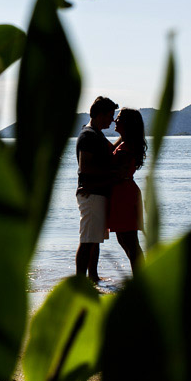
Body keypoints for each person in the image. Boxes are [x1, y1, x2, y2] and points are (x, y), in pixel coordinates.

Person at [75, 96, 118, 282]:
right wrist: (113, 173)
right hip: (91, 193)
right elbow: (85, 167)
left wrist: (125, 136)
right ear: (99, 115)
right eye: (110, 116)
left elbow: (112, 150)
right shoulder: (88, 135)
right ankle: (80, 280)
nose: (112, 120)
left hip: (97, 192)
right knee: (87, 240)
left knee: (95, 238)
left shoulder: (97, 134)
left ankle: (93, 277)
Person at [107, 108, 147, 274]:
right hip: (123, 193)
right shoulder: (124, 144)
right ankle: (141, 279)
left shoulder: (126, 147)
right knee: (126, 240)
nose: (115, 120)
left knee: (129, 241)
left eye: (119, 118)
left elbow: (118, 172)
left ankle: (142, 280)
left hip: (124, 195)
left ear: (128, 123)